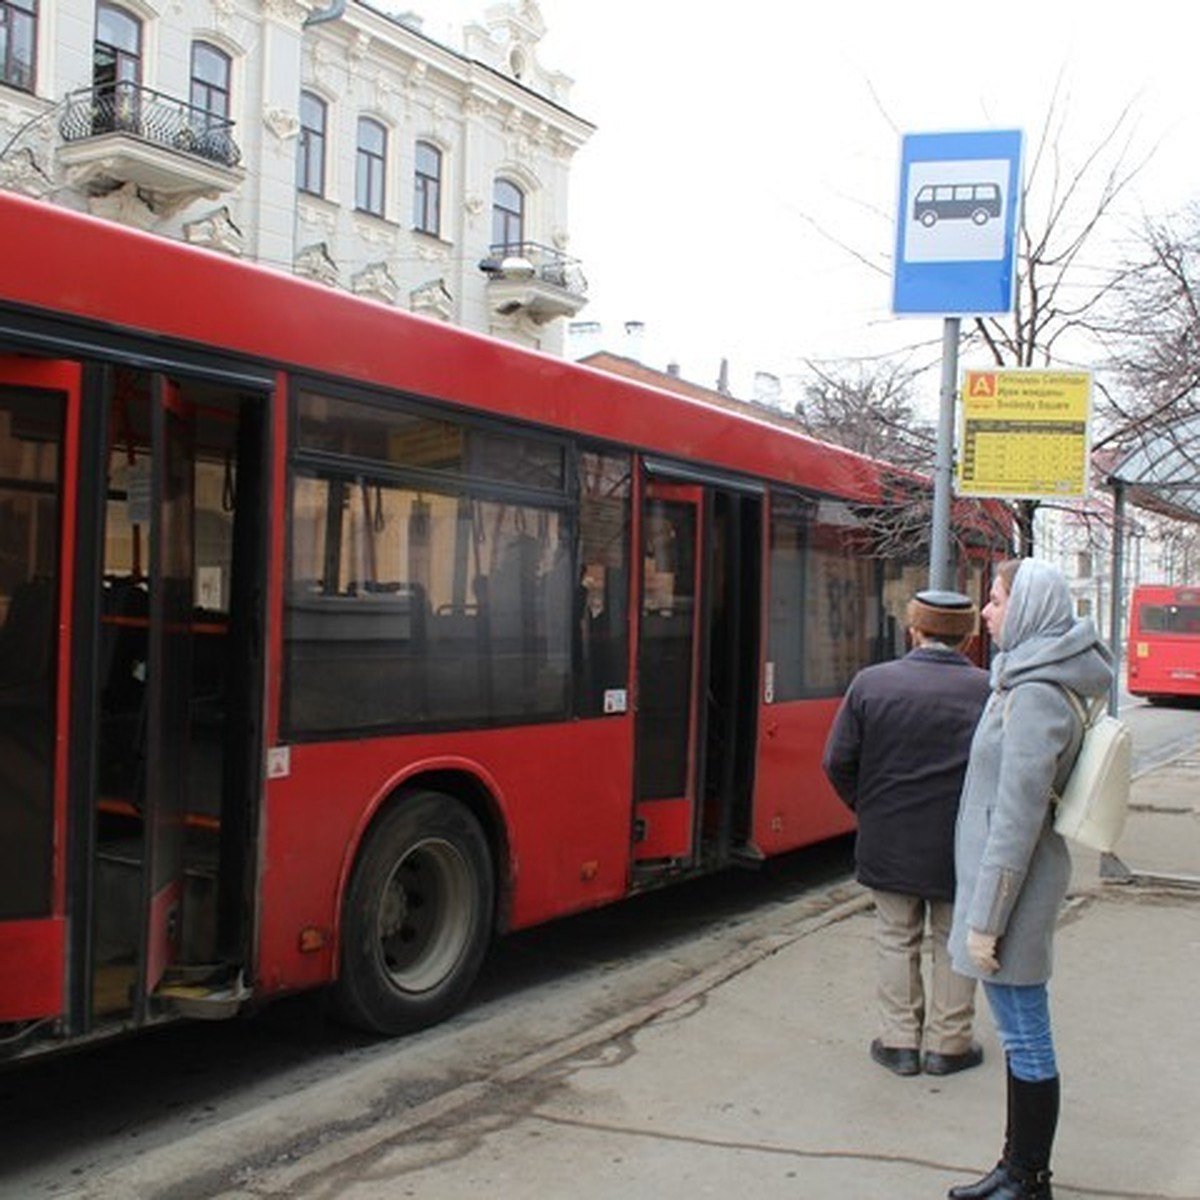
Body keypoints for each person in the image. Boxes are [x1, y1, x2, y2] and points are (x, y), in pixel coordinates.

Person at [947, 559, 1113, 1200]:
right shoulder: (1023, 679)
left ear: (1029, 607)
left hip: (1012, 896)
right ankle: (1014, 1168)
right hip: (1006, 889)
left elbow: (1015, 820)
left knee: (1026, 1036)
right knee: (1020, 1036)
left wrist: (986, 922)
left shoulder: (1037, 693)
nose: (985, 611)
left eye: (995, 599)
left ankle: (1029, 1178)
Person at [822, 589, 991, 1078]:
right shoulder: (989, 690)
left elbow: (837, 761)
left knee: (895, 938)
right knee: (953, 940)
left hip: (888, 838)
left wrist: (869, 807)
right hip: (959, 845)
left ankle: (899, 1042)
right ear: (966, 637)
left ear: (914, 629)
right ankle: (949, 1044)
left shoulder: (871, 684)